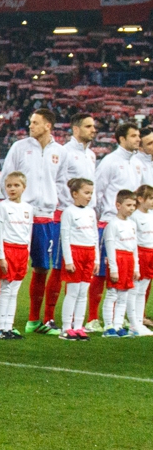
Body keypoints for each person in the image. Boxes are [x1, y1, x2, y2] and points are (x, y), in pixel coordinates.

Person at [3, 109, 64, 334]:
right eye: (30, 122)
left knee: (41, 268)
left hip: (46, 218)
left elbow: (62, 183)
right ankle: (4, 322)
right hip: (20, 217)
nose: (31, 126)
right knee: (11, 268)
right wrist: (14, 207)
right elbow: (6, 178)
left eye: (36, 123)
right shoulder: (20, 147)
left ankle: (33, 320)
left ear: (48, 125)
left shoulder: (60, 152)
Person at [44, 112, 99, 332]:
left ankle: (73, 321)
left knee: (78, 272)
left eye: (93, 126)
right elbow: (58, 182)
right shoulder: (65, 153)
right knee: (59, 267)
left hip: (85, 217)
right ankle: (48, 318)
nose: (93, 130)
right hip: (65, 216)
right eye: (88, 126)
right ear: (75, 129)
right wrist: (66, 207)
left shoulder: (91, 155)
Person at [89, 122, 143, 330]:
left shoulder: (136, 162)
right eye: (133, 136)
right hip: (109, 222)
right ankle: (93, 317)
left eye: (138, 136)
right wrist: (104, 216)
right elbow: (98, 190)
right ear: (121, 139)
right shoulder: (110, 161)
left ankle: (116, 317)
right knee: (103, 272)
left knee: (124, 270)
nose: (137, 139)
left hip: (127, 223)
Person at [0, 171, 34, 340]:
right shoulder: (3, 207)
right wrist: (1, 257)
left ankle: (9, 327)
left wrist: (28, 257)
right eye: (9, 186)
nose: (12, 189)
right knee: (5, 289)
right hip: (8, 250)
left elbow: (28, 234)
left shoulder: (28, 209)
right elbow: (0, 233)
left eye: (16, 185)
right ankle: (0, 327)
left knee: (14, 291)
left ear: (24, 187)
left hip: (22, 251)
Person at [59, 179, 98, 340]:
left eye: (91, 193)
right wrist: (68, 260)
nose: (89, 196)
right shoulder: (69, 212)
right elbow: (65, 237)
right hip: (75, 254)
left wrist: (96, 258)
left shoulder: (91, 212)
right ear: (75, 194)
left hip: (89, 254)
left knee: (83, 292)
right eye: (86, 193)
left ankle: (78, 326)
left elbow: (95, 236)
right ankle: (66, 327)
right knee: (73, 292)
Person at [101, 190, 138, 337]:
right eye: (128, 205)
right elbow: (110, 248)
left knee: (124, 295)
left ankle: (118, 325)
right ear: (118, 205)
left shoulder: (132, 224)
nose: (131, 208)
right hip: (118, 260)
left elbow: (134, 246)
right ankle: (108, 326)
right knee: (112, 294)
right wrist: (113, 268)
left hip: (128, 260)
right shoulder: (113, 224)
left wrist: (136, 267)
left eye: (134, 205)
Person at [131, 185, 153, 337]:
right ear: (140, 199)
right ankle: (133, 322)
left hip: (151, 253)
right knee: (135, 289)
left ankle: (139, 321)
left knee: (143, 289)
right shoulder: (135, 216)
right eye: (151, 198)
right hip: (140, 253)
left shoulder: (151, 215)